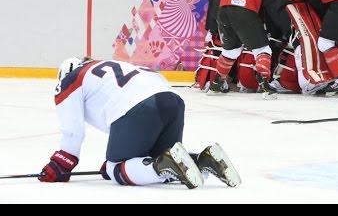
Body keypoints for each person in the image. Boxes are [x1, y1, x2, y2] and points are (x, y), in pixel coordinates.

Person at [38, 57, 241, 188]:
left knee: (114, 167)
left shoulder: (70, 80)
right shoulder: (107, 67)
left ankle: (163, 165)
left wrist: (61, 164)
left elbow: (72, 131)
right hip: (172, 102)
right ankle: (203, 160)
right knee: (163, 157)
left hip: (140, 107)